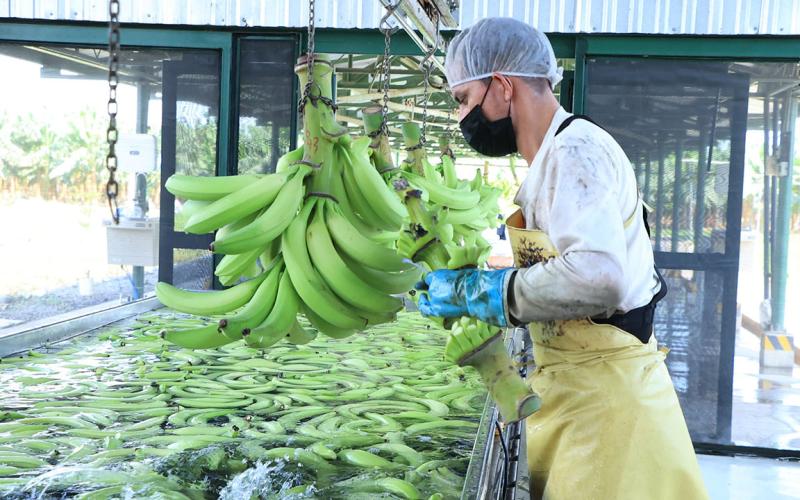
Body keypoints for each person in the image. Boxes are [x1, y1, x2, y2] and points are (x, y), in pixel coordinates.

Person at [416, 17, 709, 500]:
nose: (462, 117)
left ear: (503, 86)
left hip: (607, 410)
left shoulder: (575, 152)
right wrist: (495, 280)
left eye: (465, 100)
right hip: (582, 391)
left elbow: (599, 277)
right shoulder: (555, 158)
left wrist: (490, 292)